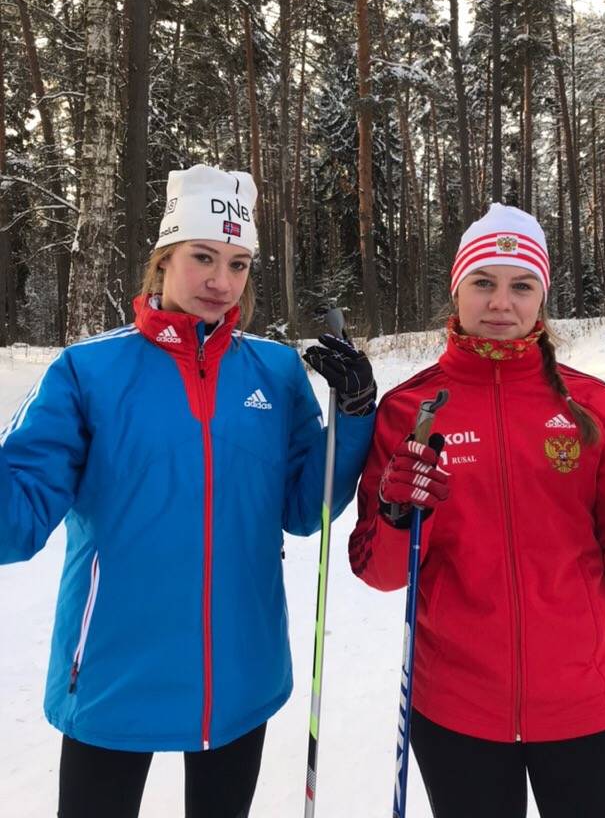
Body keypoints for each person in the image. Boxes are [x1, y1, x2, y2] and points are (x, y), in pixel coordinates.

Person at [0, 164, 376, 818]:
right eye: (203, 257)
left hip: (240, 671)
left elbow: (304, 508)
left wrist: (355, 414)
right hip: (114, 671)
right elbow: (17, 517)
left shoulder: (275, 371)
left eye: (238, 264)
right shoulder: (88, 371)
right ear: (164, 259)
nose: (221, 282)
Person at [349, 202, 605, 818]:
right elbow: (382, 574)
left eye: (521, 286)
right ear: (456, 290)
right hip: (456, 708)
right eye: (483, 282)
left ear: (542, 298)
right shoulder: (410, 409)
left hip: (584, 699)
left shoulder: (589, 404)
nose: (500, 303)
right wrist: (401, 514)